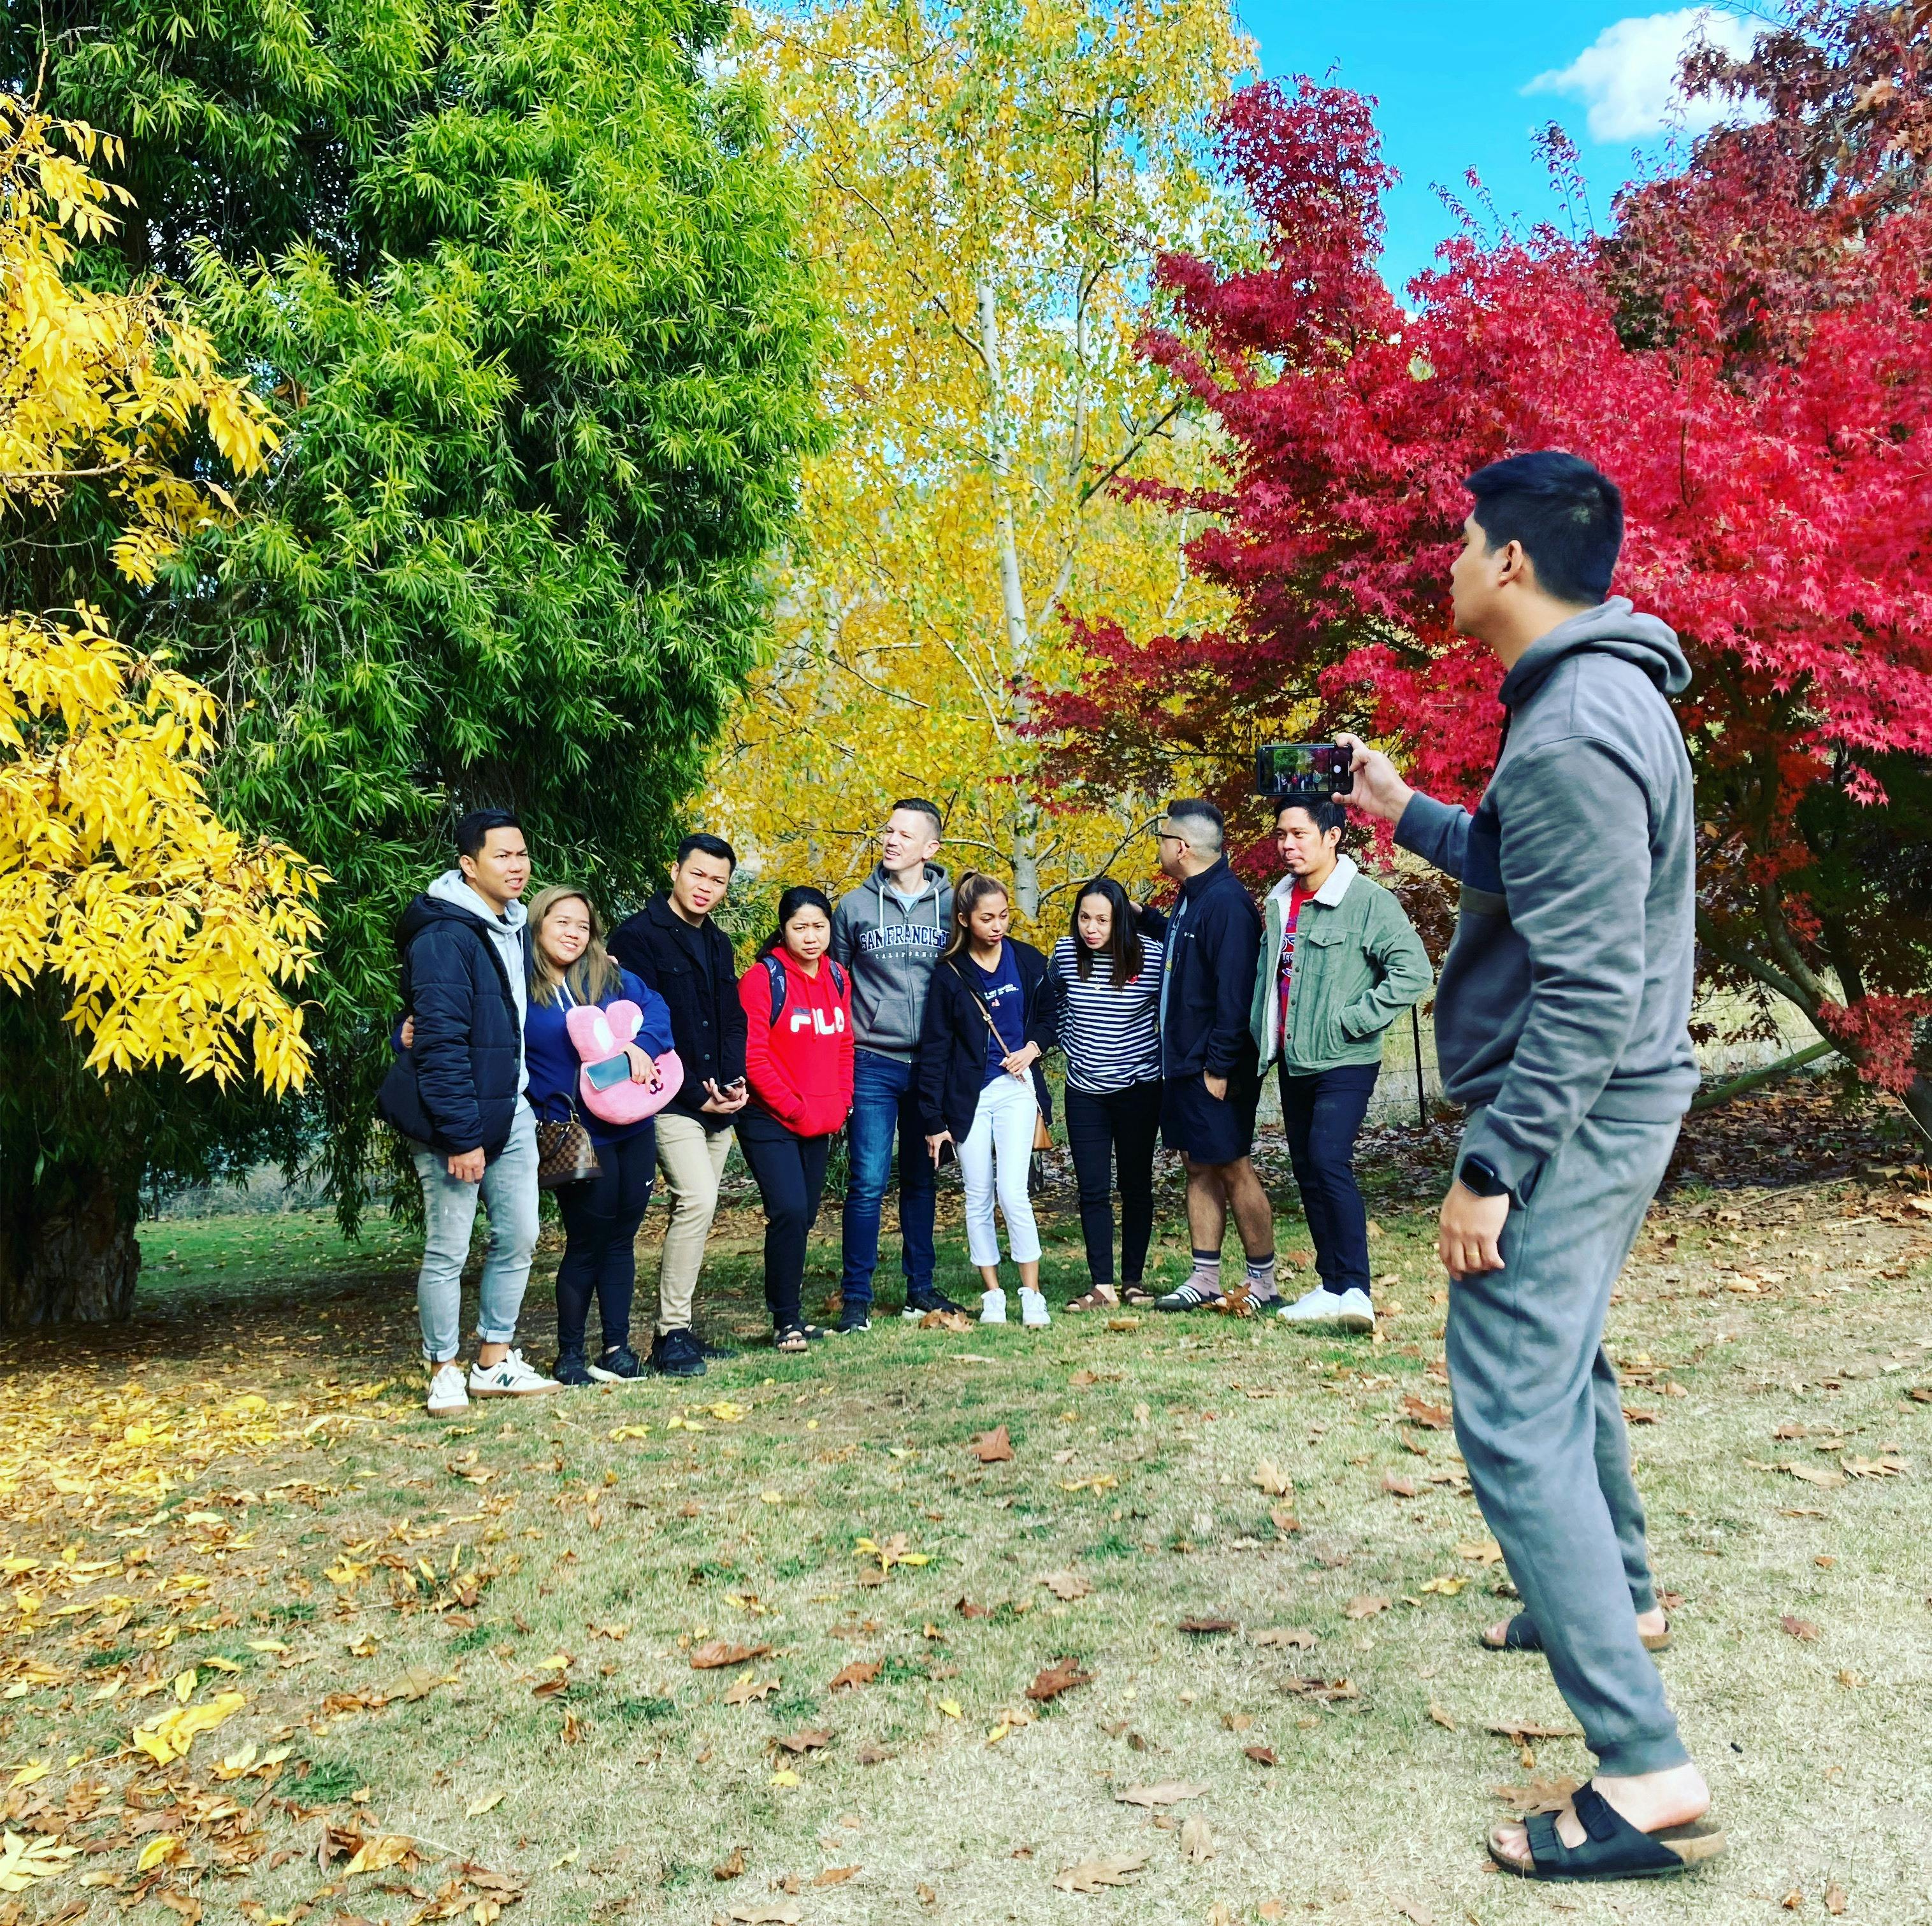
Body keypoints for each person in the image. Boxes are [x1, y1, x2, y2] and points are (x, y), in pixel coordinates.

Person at [1340, 451, 1720, 1882]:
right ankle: (1618, 1593)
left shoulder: (1570, 729)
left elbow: (1587, 985)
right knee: (1565, 1360)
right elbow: (1516, 860)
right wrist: (1402, 808)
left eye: (1458, 542)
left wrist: (1489, 1166)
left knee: (1507, 1397)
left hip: (1578, 1104)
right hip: (1616, 1092)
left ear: (1508, 561)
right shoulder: (1598, 697)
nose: (1446, 565)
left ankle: (1642, 1763)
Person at [378, 809, 559, 1416]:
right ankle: (444, 1369)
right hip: (453, 1120)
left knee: (521, 1235)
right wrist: (461, 1136)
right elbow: (440, 1042)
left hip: (510, 1107)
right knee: (448, 1248)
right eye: (502, 855)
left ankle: (494, 1361)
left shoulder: (511, 925)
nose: (517, 865)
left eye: (522, 853)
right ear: (468, 864)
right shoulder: (444, 933)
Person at [1252, 796, 1431, 1333]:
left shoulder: (1368, 901)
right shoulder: (1279, 902)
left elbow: (1413, 969)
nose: (1287, 844)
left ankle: (1356, 1289)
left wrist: (1355, 1019)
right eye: (1281, 834)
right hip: (1294, 1057)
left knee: (1329, 1158)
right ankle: (1330, 1286)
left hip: (1345, 1056)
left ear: (1332, 836)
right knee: (1307, 1168)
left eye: (1299, 834)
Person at [521, 886, 675, 1386]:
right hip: (577, 1134)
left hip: (634, 1123)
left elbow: (657, 1008)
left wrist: (643, 1044)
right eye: (562, 922)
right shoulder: (518, 984)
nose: (573, 933)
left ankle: (616, 1348)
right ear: (538, 924)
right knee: (587, 1241)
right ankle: (569, 1354)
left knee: (622, 1239)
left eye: (582, 926)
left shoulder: (608, 976)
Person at [609, 834, 749, 1379]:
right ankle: (671, 1335)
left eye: (718, 880)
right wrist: (696, 1093)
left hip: (718, 1099)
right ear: (675, 871)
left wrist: (733, 1083)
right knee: (698, 1197)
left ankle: (677, 1329)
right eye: (698, 874)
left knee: (699, 1209)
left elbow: (731, 1017)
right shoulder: (637, 936)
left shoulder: (718, 942)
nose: (705, 887)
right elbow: (639, 1025)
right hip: (667, 1097)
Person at [831, 800, 965, 1326]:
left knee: (921, 1178)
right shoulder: (854, 907)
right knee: (867, 1180)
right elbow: (836, 985)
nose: (891, 840)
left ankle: (921, 1288)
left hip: (933, 1065)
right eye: (888, 830)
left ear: (930, 848)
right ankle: (856, 1296)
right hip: (873, 1060)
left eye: (905, 834)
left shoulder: (954, 905)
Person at [1148, 800, 1277, 1312]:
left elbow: (1235, 994)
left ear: (1181, 847)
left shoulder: (1227, 903)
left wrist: (1219, 1067)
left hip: (1214, 1066)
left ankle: (1263, 1282)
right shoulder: (1190, 898)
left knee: (1232, 1165)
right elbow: (1186, 955)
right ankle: (1204, 1277)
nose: (1159, 847)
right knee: (1197, 1163)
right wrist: (1143, 917)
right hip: (1182, 1062)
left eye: (1163, 839)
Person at [916, 873, 1056, 1328]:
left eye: (1003, 916)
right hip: (968, 1097)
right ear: (964, 919)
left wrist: (1031, 1049)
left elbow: (1051, 1017)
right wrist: (933, 1118)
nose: (997, 926)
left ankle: (1032, 1294)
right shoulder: (950, 975)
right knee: (977, 1194)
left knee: (1013, 1191)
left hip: (1017, 1089)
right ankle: (993, 1293)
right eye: (987, 918)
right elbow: (935, 1049)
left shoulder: (1029, 960)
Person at [737, 888, 856, 1354]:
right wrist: (794, 1108)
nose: (811, 937)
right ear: (784, 930)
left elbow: (844, 1044)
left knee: (802, 1215)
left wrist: (842, 1101)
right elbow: (754, 1057)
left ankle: (793, 1314)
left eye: (819, 927)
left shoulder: (838, 977)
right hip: (770, 1117)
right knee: (787, 1209)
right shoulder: (763, 979)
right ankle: (785, 1319)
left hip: (819, 1118)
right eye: (800, 927)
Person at [1050, 877, 1164, 1312]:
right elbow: (1050, 1004)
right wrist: (1065, 1038)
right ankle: (1102, 1285)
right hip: (1084, 1091)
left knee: (1136, 1185)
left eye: (1102, 920)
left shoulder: (1150, 956)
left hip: (1139, 1089)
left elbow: (1172, 1009)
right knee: (1092, 1188)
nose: (1091, 928)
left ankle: (1133, 1280)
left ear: (1120, 922)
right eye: (1084, 918)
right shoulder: (1065, 953)